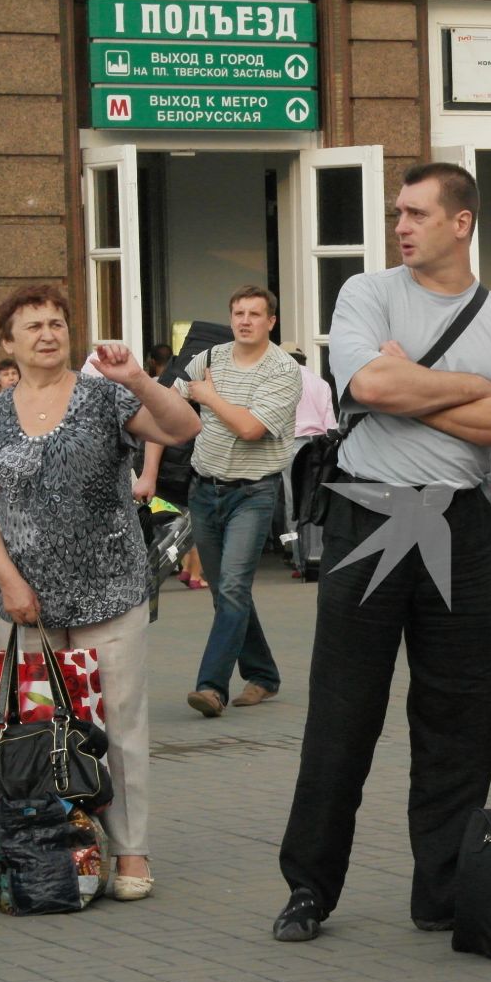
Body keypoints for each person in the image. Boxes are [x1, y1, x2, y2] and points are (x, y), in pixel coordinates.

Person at [273, 162, 491, 942]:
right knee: (342, 713)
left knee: (459, 716)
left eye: (417, 212)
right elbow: (370, 386)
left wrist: (416, 378)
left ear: (461, 222)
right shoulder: (366, 293)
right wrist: (466, 389)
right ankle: (309, 889)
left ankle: (445, 889)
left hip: (457, 520)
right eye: (398, 212)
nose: (401, 225)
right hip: (370, 511)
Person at [0, 284, 201, 901]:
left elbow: (183, 426)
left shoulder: (104, 397)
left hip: (111, 591)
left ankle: (131, 853)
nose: (48, 333)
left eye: (57, 323)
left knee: (117, 725)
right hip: (28, 604)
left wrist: (140, 379)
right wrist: (9, 580)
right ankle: (62, 845)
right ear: (7, 341)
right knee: (42, 728)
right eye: (32, 325)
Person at [178, 285, 302, 719]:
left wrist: (209, 398)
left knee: (232, 587)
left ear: (271, 321)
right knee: (226, 594)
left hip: (253, 492)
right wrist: (151, 469)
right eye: (238, 313)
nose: (245, 320)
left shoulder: (283, 370)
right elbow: (170, 407)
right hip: (203, 489)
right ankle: (263, 675)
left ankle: (211, 687)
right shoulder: (208, 359)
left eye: (255, 314)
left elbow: (251, 429)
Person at [287, 349, 335, 439]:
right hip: (317, 443)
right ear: (303, 361)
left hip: (289, 441)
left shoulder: (279, 382)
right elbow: (330, 425)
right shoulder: (322, 383)